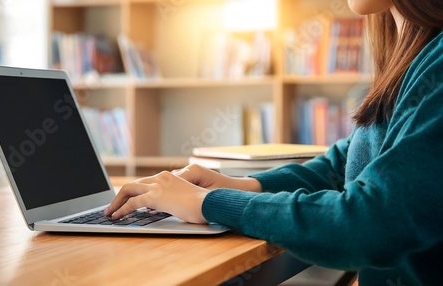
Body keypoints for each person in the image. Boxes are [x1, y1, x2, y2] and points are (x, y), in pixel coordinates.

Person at [105, 0, 443, 284]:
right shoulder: (419, 58)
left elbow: (370, 224)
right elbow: (346, 161)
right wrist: (245, 185)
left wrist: (213, 203)